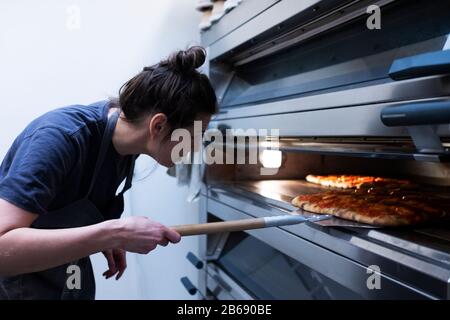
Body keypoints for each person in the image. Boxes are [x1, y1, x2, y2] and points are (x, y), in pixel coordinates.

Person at [0, 46, 217, 299]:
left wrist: (104, 237)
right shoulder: (59, 137)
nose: (194, 147)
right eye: (193, 137)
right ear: (158, 125)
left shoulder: (125, 147)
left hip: (66, 279)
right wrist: (112, 233)